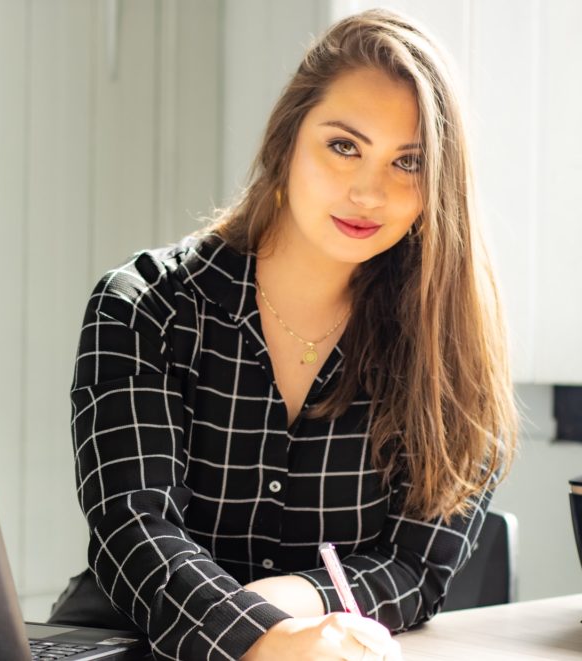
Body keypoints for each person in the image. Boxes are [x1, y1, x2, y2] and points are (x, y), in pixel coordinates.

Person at [50, 8, 517, 661]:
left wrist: (290, 606)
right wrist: (259, 639)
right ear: (288, 140)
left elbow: (416, 568)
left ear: (437, 186)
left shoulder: (451, 345)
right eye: (344, 145)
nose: (367, 191)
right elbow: (133, 528)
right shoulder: (143, 306)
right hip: (128, 644)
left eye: (406, 163)